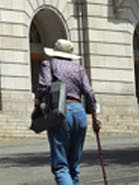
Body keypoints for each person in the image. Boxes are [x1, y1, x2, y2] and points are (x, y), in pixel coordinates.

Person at [36, 37, 100, 185]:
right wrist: (95, 117)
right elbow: (89, 93)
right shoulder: (79, 69)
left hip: (60, 110)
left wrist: (37, 104)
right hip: (79, 111)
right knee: (74, 165)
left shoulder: (48, 65)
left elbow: (44, 87)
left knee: (60, 166)